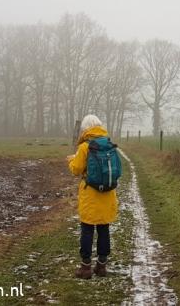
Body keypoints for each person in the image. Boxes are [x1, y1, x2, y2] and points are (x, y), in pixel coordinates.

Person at [66, 115, 118, 279]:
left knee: (87, 230)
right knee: (104, 229)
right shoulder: (109, 144)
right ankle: (102, 266)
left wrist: (71, 160)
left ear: (85, 129)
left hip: (90, 195)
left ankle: (86, 268)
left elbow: (76, 169)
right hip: (108, 193)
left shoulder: (84, 147)